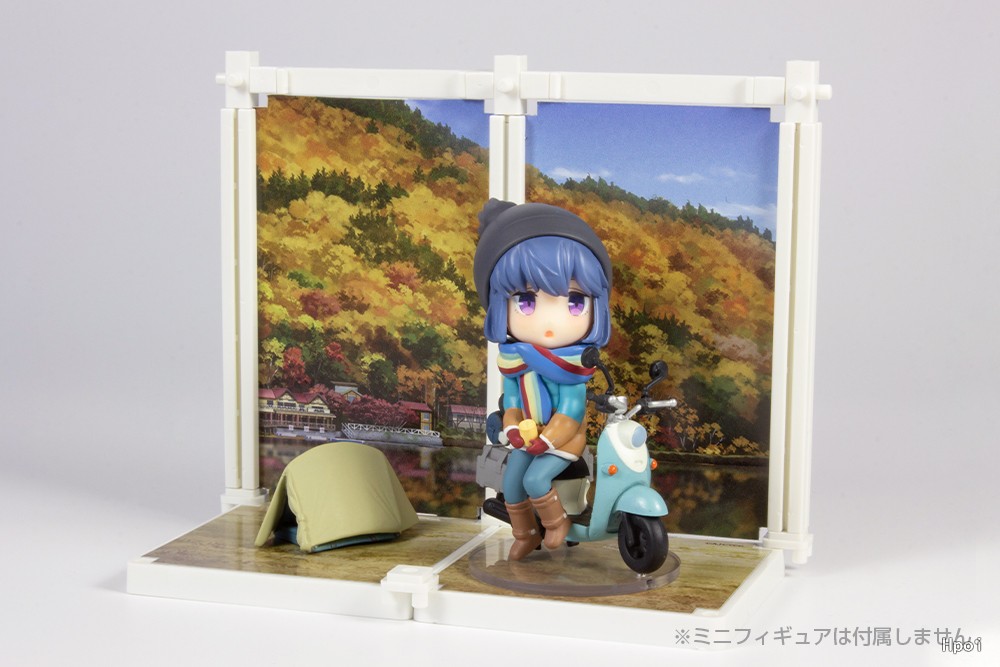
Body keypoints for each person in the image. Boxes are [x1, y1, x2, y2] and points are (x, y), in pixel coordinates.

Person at [473, 199, 612, 560]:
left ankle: (557, 523)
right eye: (526, 301)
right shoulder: (513, 363)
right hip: (529, 439)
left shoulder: (574, 367)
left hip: (563, 441)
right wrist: (513, 428)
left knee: (536, 479)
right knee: (512, 483)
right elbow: (512, 403)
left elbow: (571, 413)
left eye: (575, 301)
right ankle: (525, 533)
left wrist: (546, 439)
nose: (551, 323)